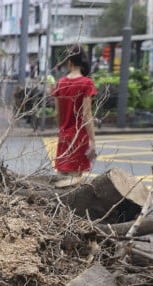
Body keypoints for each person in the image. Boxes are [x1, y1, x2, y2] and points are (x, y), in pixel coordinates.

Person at [51, 47, 97, 188]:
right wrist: (92, 140)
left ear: (69, 62)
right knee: (74, 185)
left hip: (64, 137)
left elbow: (57, 114)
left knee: (61, 181)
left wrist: (62, 130)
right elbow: (86, 114)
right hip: (79, 138)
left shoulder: (60, 83)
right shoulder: (86, 83)